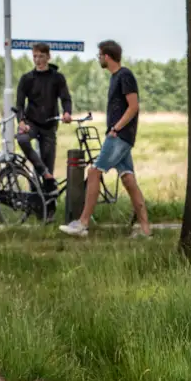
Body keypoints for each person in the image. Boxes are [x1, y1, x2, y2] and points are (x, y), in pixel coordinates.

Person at [58, 40, 151, 238]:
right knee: (128, 179)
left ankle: (82, 224)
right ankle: (145, 230)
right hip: (120, 135)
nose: (99, 58)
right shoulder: (115, 77)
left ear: (107, 56)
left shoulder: (124, 75)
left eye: (100, 55)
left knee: (94, 172)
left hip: (119, 136)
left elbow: (133, 106)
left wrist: (116, 129)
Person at [15, 42, 73, 194]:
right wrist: (21, 121)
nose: (38, 60)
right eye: (35, 56)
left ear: (48, 57)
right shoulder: (26, 78)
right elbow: (19, 104)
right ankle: (43, 172)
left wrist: (67, 112)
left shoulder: (57, 78)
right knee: (22, 139)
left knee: (49, 166)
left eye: (41, 56)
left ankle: (49, 211)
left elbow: (66, 98)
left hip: (49, 125)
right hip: (31, 122)